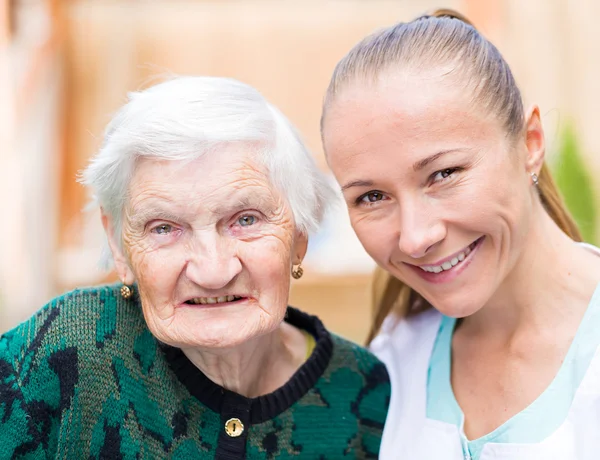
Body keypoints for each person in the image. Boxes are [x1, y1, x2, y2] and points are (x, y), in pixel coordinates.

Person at [0, 76, 390, 459]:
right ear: (119, 245)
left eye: (246, 219)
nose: (212, 271)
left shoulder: (365, 393)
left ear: (300, 235)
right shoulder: (62, 352)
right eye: (165, 228)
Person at [320, 8, 600, 460]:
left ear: (530, 144)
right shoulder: (394, 361)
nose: (414, 238)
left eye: (443, 174)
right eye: (371, 197)